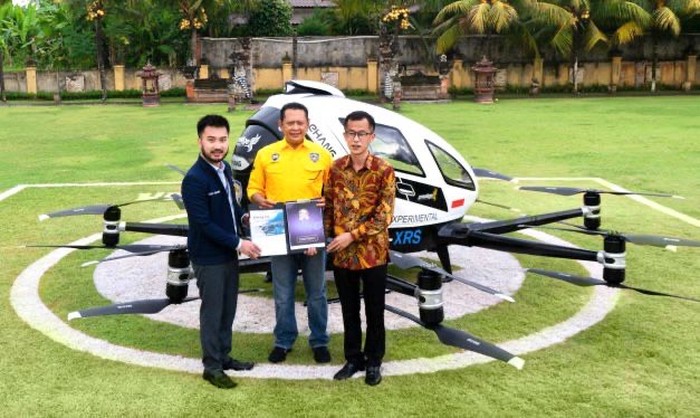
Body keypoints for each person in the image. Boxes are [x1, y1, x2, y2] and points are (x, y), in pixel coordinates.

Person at [247, 102, 333, 364]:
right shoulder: (266, 154)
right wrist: (259, 199)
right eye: (290, 123)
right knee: (283, 293)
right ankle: (283, 340)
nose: (295, 127)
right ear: (280, 125)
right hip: (278, 231)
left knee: (316, 292)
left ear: (308, 125)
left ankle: (319, 340)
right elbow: (253, 189)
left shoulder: (322, 155)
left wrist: (327, 200)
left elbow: (332, 192)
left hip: (310, 230)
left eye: (300, 123)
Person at [181, 114, 262, 389]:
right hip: (208, 257)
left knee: (228, 309)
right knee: (213, 312)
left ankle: (224, 356)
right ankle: (212, 366)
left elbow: (231, 205)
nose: (218, 145)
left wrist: (243, 218)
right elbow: (203, 224)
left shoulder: (224, 168)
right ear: (200, 141)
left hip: (227, 253)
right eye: (211, 140)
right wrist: (239, 243)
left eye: (223, 139)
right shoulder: (194, 179)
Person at [324, 110, 395, 386]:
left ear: (371, 136)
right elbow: (329, 207)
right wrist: (323, 237)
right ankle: (353, 358)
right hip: (342, 255)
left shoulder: (384, 170)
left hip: (373, 254)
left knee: (375, 310)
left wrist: (351, 236)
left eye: (361, 134)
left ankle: (374, 361)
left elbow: (384, 216)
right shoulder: (335, 168)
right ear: (345, 135)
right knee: (349, 309)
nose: (356, 139)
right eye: (351, 133)